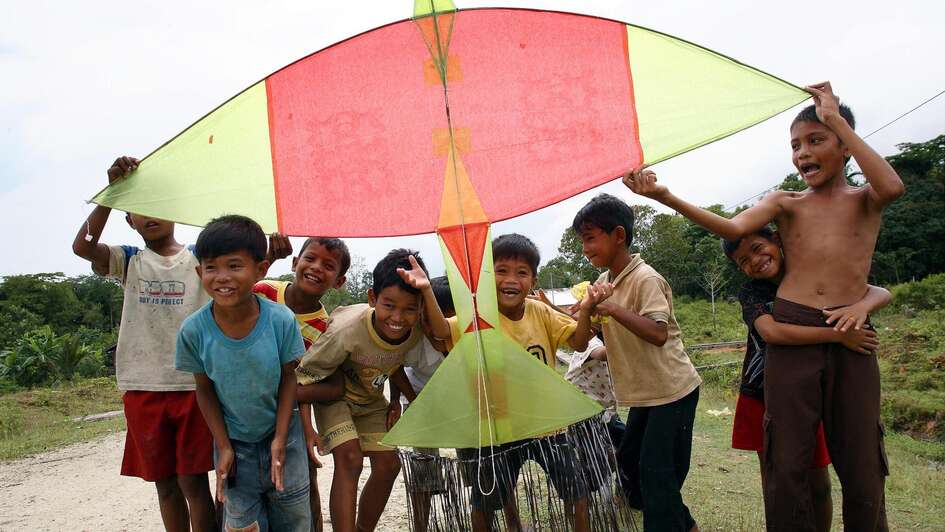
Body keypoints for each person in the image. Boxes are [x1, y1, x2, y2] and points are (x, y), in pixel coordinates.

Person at [626, 82, 904, 531]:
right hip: (794, 333)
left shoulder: (865, 201)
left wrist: (833, 116)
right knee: (787, 460)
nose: (803, 153)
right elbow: (732, 226)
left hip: (854, 336)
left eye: (816, 140)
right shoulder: (786, 204)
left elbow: (892, 185)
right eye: (795, 145)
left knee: (862, 460)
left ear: (845, 144)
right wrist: (666, 198)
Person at [71, 156, 216, 532]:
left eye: (157, 205)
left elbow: (245, 254)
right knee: (165, 485)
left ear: (175, 212)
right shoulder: (129, 260)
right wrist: (111, 195)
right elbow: (83, 248)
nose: (149, 215)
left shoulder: (201, 257)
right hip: (142, 387)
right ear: (128, 219)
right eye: (138, 209)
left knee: (193, 482)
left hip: (191, 385)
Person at [723, 226, 892, 531]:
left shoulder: (814, 272)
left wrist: (861, 308)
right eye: (743, 261)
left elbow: (879, 291)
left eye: (759, 248)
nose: (755, 261)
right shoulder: (753, 292)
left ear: (777, 238)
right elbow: (771, 332)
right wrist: (839, 336)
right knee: (782, 479)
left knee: (820, 483)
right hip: (766, 393)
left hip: (822, 388)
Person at [442, 233, 612, 532]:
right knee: (485, 502)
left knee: (576, 493)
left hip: (548, 424)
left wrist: (585, 310)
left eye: (522, 272)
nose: (511, 279)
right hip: (499, 427)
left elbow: (579, 341)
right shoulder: (477, 318)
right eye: (502, 270)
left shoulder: (540, 311)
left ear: (533, 280)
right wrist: (425, 290)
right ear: (485, 278)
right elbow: (440, 330)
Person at [295, 249, 451, 532]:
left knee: (389, 465)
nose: (398, 317)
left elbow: (394, 362)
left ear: (420, 309)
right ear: (372, 298)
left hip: (370, 400)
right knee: (350, 459)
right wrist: (308, 429)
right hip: (335, 397)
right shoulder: (345, 330)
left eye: (409, 309)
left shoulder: (414, 331)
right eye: (389, 305)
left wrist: (399, 400)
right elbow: (303, 379)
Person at [573, 193, 701, 532]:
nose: (585, 248)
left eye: (590, 238)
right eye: (582, 240)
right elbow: (588, 339)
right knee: (630, 464)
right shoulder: (602, 283)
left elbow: (658, 333)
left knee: (657, 472)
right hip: (643, 393)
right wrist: (587, 311)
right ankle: (685, 524)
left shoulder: (645, 278)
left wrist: (612, 308)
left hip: (672, 389)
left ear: (618, 235)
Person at [175, 215, 311, 531]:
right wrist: (223, 446)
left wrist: (279, 437)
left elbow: (289, 377)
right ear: (199, 272)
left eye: (234, 266)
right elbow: (204, 389)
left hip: (284, 441)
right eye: (211, 267)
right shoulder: (193, 331)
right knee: (241, 524)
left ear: (260, 270)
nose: (222, 277)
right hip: (235, 449)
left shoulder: (281, 320)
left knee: (294, 518)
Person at [254, 236, 351, 532]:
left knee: (303, 487)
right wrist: (269, 256)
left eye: (328, 265)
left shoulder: (326, 329)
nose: (316, 267)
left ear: (339, 281)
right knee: (239, 485)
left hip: (292, 417)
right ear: (295, 262)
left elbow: (333, 384)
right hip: (243, 407)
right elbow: (229, 296)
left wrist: (292, 393)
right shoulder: (264, 291)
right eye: (310, 258)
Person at [391, 275, 454, 532]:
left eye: (448, 319)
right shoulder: (411, 337)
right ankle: (421, 527)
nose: (437, 328)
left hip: (463, 400)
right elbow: (394, 366)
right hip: (420, 397)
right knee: (423, 467)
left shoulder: (470, 334)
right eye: (429, 320)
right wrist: (402, 400)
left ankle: (498, 518)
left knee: (480, 462)